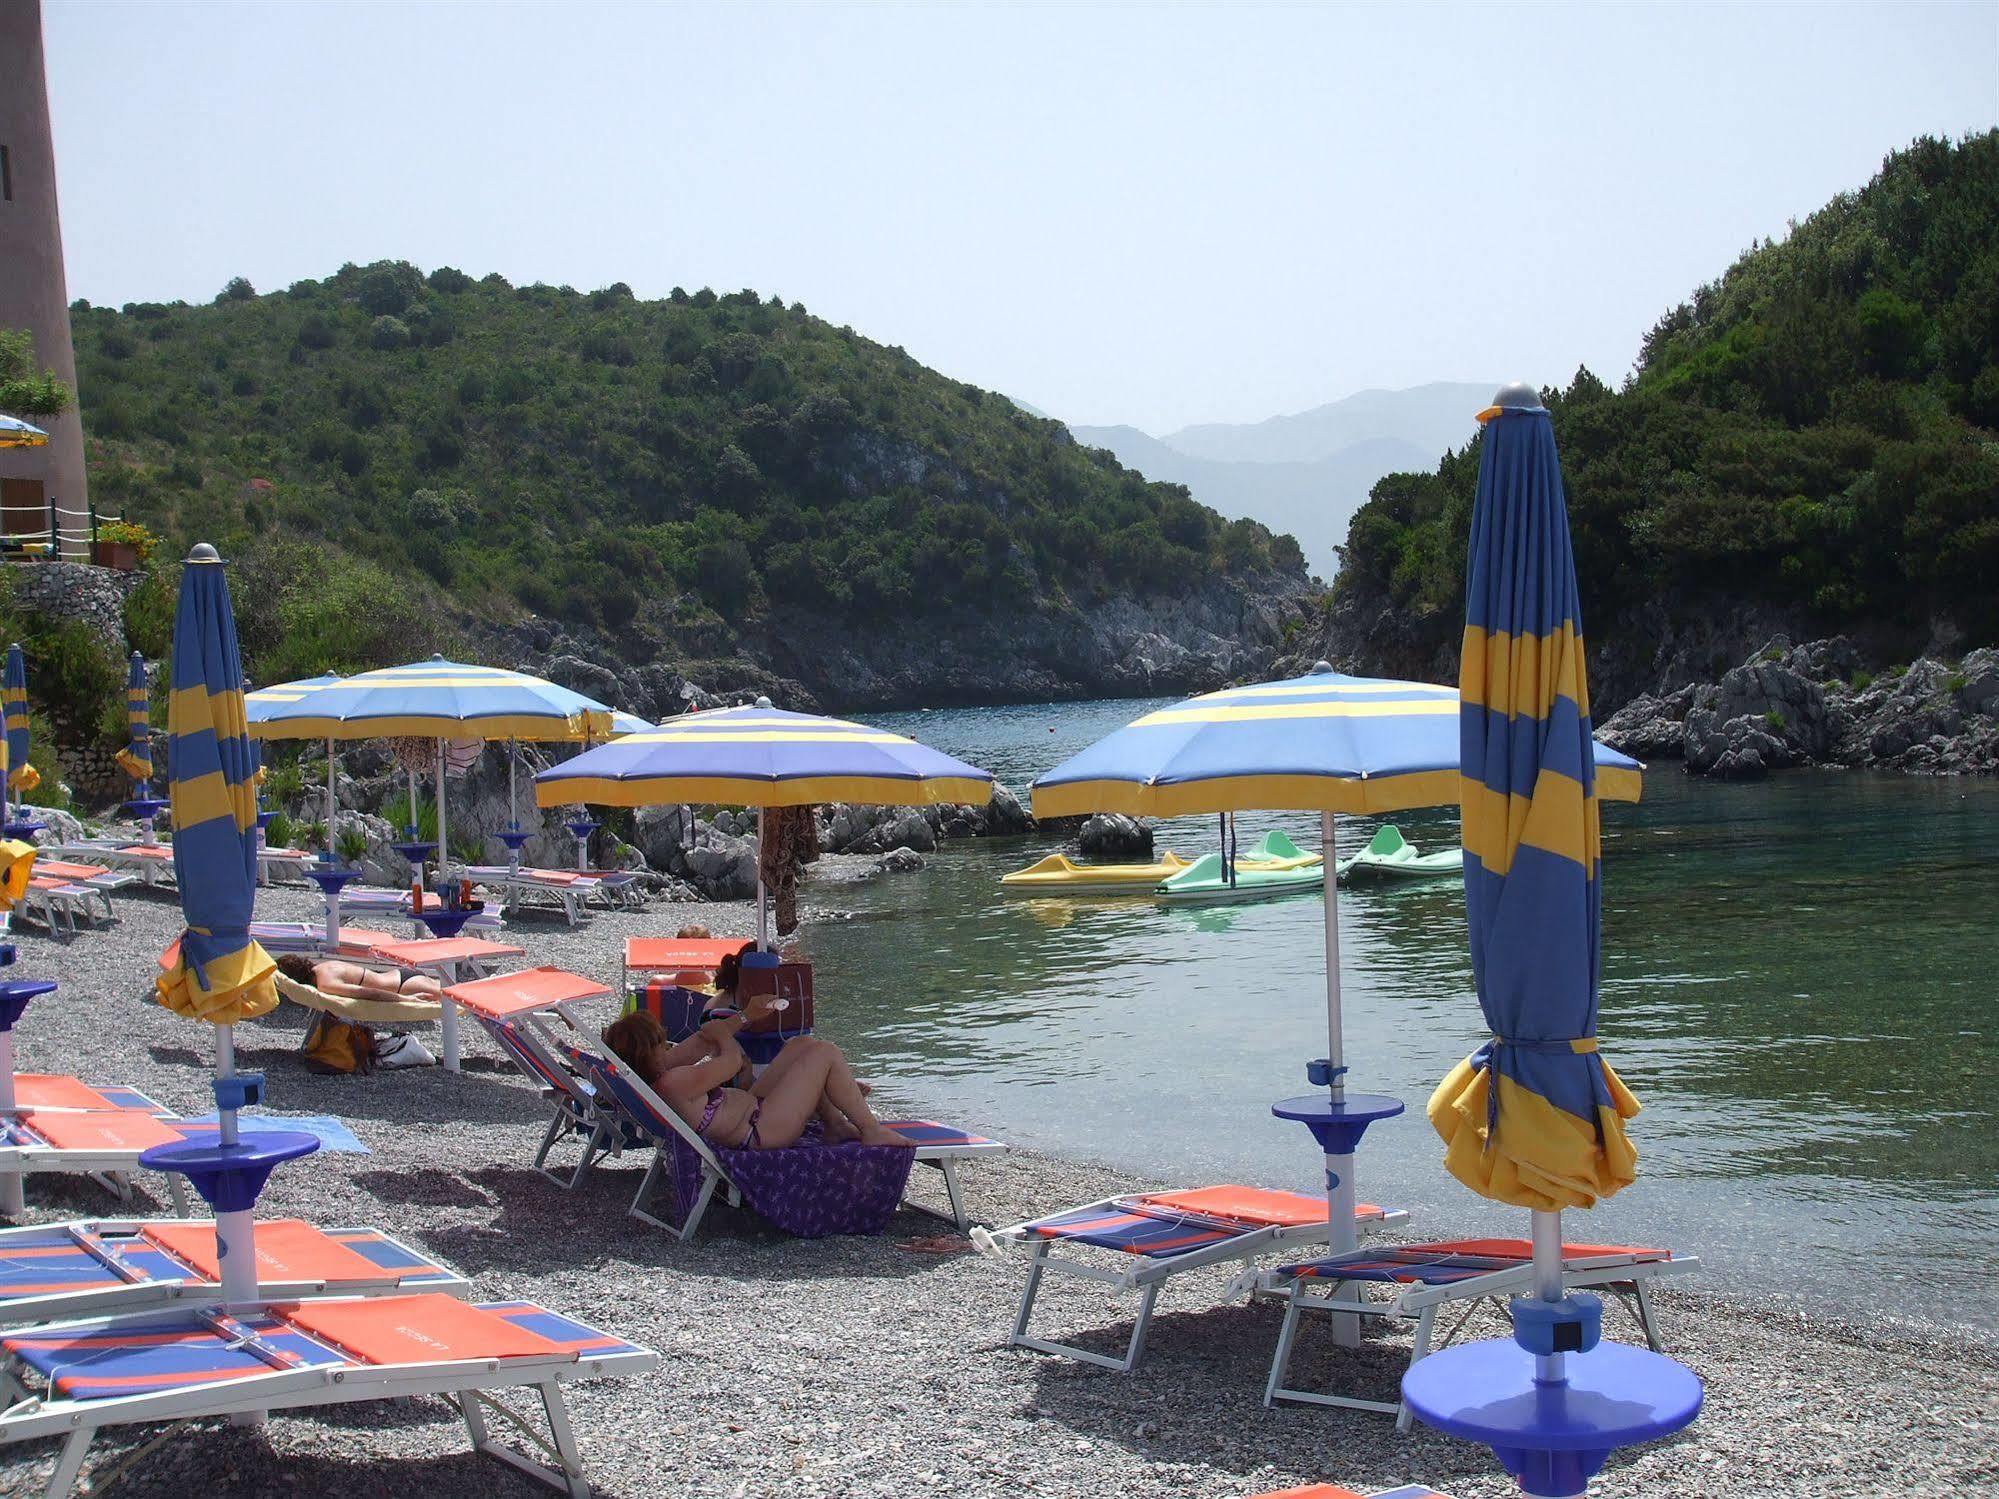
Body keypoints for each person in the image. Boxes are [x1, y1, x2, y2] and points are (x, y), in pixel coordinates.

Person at [601, 1009, 910, 1152]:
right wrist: (723, 1036)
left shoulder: (655, 1077)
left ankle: (835, 1123)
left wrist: (746, 1016)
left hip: (755, 1110)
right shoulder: (674, 1083)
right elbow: (733, 1062)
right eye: (660, 1043)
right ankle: (871, 1130)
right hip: (763, 1130)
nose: (666, 1045)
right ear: (650, 1053)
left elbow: (697, 1043)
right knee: (825, 1054)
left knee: (801, 1046)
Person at [273, 952, 442, 1001]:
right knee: (455, 989)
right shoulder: (322, 967)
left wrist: (408, 1000)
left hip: (405, 987)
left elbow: (369, 993)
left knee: (459, 998)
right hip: (399, 975)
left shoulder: (326, 984)